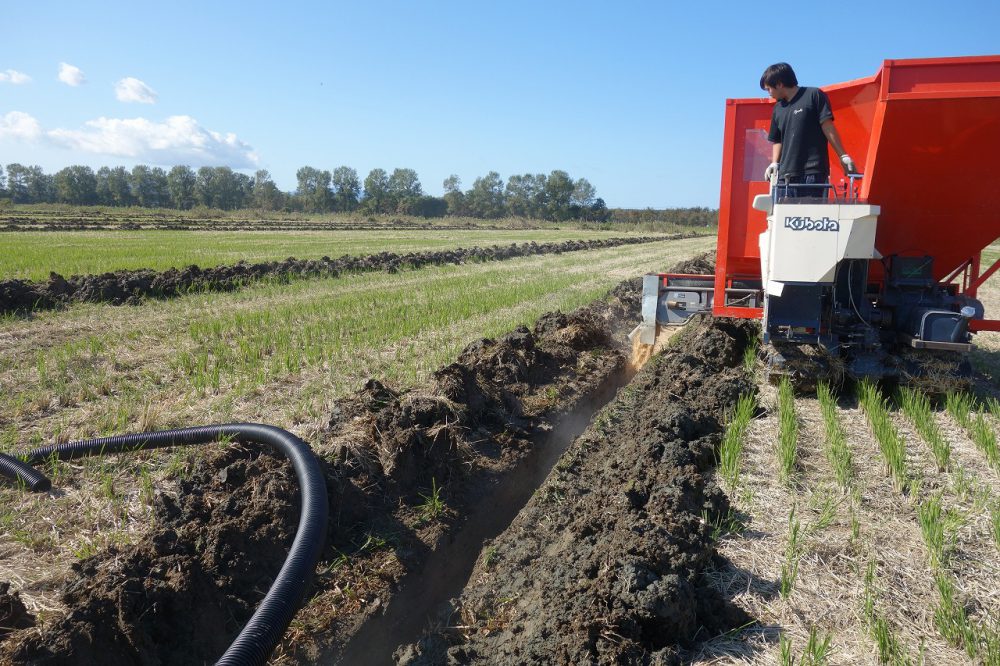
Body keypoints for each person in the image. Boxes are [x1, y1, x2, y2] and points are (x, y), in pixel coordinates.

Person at [760, 62, 857, 199]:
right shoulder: (778, 108)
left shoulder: (813, 95)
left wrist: (843, 156)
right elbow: (777, 139)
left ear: (780, 84)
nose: (769, 93)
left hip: (812, 173)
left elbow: (827, 126)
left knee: (810, 218)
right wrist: (775, 163)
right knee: (783, 218)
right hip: (784, 177)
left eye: (769, 89)